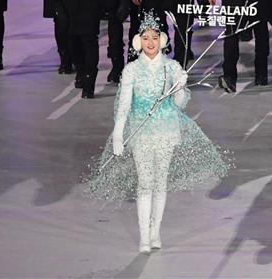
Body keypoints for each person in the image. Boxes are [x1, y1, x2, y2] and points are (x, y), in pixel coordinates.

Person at [87, 14, 231, 253]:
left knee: (160, 181)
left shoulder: (171, 67)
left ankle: (156, 232)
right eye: (146, 38)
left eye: (155, 37)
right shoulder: (132, 70)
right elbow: (123, 105)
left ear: (162, 40)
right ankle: (145, 235)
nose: (150, 42)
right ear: (139, 41)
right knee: (145, 183)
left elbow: (181, 103)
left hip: (166, 130)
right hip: (141, 132)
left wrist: (180, 86)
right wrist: (119, 135)